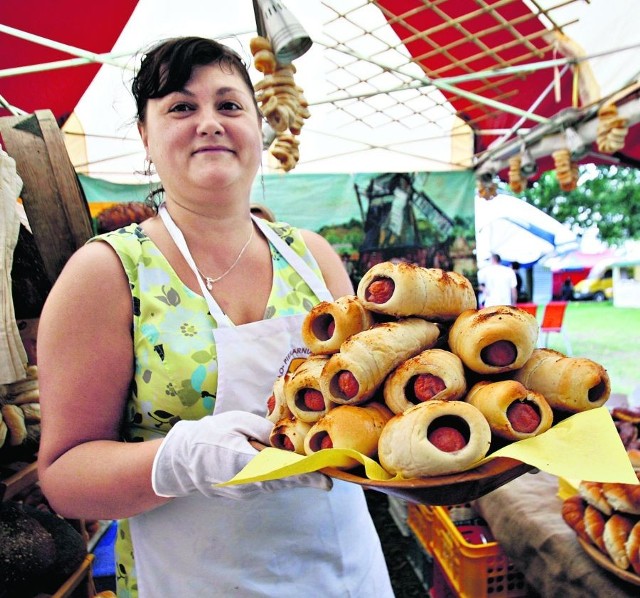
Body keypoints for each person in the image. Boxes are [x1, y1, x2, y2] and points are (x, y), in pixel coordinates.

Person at [36, 37, 393, 597]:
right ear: (145, 137)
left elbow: (375, 406)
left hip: (342, 573)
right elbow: (64, 478)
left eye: (229, 105)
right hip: (193, 579)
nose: (210, 122)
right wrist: (183, 460)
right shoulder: (105, 274)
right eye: (181, 106)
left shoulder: (312, 256)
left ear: (256, 127)